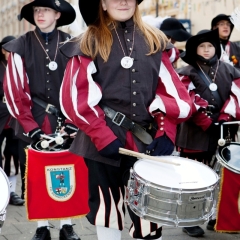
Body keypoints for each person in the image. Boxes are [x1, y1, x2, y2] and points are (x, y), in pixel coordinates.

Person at [59, 0, 192, 239]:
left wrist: (165, 131)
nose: (122, 1)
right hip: (101, 144)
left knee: (149, 217)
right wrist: (102, 136)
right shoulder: (87, 42)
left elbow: (171, 92)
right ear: (102, 3)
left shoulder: (155, 40)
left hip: (146, 142)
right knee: (108, 211)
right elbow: (76, 99)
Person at [2, 1, 80, 240]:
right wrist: (30, 127)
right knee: (35, 174)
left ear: (57, 14)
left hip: (66, 120)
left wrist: (72, 122)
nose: (40, 14)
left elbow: (80, 85)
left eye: (45, 10)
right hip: (32, 118)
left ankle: (67, 225)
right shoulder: (20, 45)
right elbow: (14, 90)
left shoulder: (72, 44)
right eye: (37, 11)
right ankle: (41, 226)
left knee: (68, 171)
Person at [175, 28, 240, 237]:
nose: (206, 50)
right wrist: (205, 122)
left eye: (210, 46)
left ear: (216, 48)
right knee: (193, 179)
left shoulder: (231, 70)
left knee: (220, 177)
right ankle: (189, 219)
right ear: (194, 49)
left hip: (224, 133)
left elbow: (237, 96)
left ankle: (214, 216)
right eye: (201, 46)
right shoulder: (186, 72)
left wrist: (224, 119)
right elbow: (187, 98)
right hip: (194, 134)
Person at [0, 35, 24, 206]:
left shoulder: (20, 64)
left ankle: (12, 192)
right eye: (7, 49)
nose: (10, 52)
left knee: (14, 155)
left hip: (15, 116)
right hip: (0, 114)